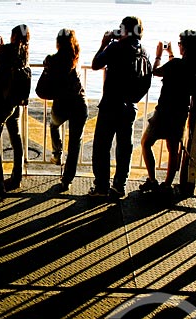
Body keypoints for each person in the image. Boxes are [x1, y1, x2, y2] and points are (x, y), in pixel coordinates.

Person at [140, 30, 196, 194]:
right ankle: (167, 184)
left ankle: (152, 180)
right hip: (180, 112)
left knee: (146, 142)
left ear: (185, 47)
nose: (179, 46)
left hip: (164, 111)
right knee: (173, 148)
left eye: (180, 43)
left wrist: (158, 55)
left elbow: (156, 71)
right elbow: (176, 69)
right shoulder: (194, 68)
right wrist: (171, 54)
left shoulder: (175, 64)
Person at [89, 16, 147, 200]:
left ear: (124, 30)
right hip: (130, 106)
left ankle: (101, 187)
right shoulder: (142, 51)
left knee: (101, 147)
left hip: (111, 105)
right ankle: (119, 187)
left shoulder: (115, 48)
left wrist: (104, 43)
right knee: (124, 148)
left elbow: (95, 64)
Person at [0, 24, 30, 199]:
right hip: (14, 103)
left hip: (0, 103)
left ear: (14, 36)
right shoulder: (25, 52)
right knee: (15, 138)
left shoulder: (5, 49)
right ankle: (16, 177)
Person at [44, 28, 88, 191]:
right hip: (79, 104)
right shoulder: (77, 57)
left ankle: (57, 154)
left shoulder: (52, 59)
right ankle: (67, 180)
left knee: (54, 125)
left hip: (61, 104)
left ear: (58, 43)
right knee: (75, 143)